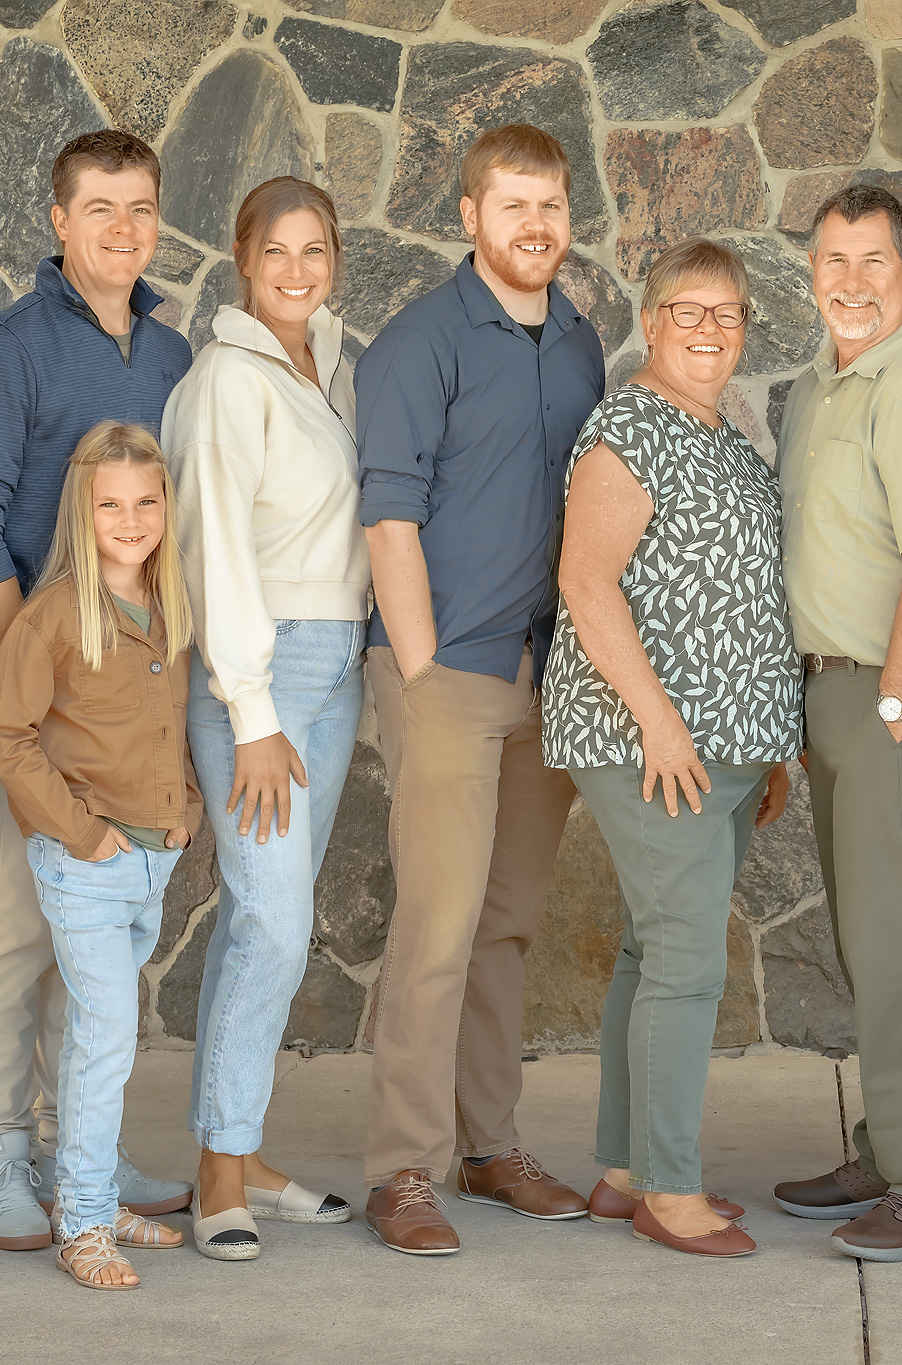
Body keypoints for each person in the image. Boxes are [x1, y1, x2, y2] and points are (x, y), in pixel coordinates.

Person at [355, 124, 606, 1254]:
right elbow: (390, 519)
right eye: (511, 205)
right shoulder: (418, 343)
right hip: (446, 668)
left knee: (505, 925)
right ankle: (401, 1167)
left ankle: (487, 1144)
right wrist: (419, 679)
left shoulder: (580, 344)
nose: (534, 225)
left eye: (549, 204)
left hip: (545, 675)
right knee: (439, 924)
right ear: (467, 216)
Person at [0, 129, 195, 1249]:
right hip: (29, 693)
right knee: (15, 932)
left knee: (95, 943)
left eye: (140, 209)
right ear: (58, 220)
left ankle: (74, 1143)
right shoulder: (10, 347)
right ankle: (1, 1144)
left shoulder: (173, 356)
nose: (123, 230)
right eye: (101, 209)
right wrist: (43, 673)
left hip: (128, 711)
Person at [543, 238, 798, 1259]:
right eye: (688, 312)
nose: (708, 331)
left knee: (655, 950)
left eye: (727, 315)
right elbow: (585, 583)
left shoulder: (727, 434)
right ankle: (670, 1188)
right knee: (688, 959)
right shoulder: (627, 429)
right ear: (651, 323)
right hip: (650, 740)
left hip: (729, 747)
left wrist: (768, 742)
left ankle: (623, 1169)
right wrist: (657, 718)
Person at [767, 185, 902, 1264]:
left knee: (890, 937)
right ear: (810, 269)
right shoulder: (824, 384)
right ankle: (890, 1141)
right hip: (834, 687)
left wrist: (892, 711)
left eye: (871, 262)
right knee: (867, 931)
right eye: (831, 260)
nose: (850, 282)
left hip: (888, 692)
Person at [163, 176, 365, 1260]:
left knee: (281, 928)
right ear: (242, 257)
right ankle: (215, 1178)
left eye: (315, 250)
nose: (297, 269)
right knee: (269, 923)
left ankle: (242, 1154)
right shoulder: (223, 384)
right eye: (277, 251)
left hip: (334, 660)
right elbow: (212, 552)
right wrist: (248, 710)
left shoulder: (327, 361)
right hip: (266, 670)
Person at [0, 422, 202, 1289]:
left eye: (147, 501)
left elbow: (170, 722)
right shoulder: (58, 613)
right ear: (84, 511)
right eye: (111, 504)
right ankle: (81, 1220)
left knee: (94, 1031)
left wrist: (183, 805)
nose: (131, 518)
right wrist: (80, 830)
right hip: (86, 861)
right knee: (108, 1033)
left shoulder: (170, 604)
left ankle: (97, 1196)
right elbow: (6, 731)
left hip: (152, 861)